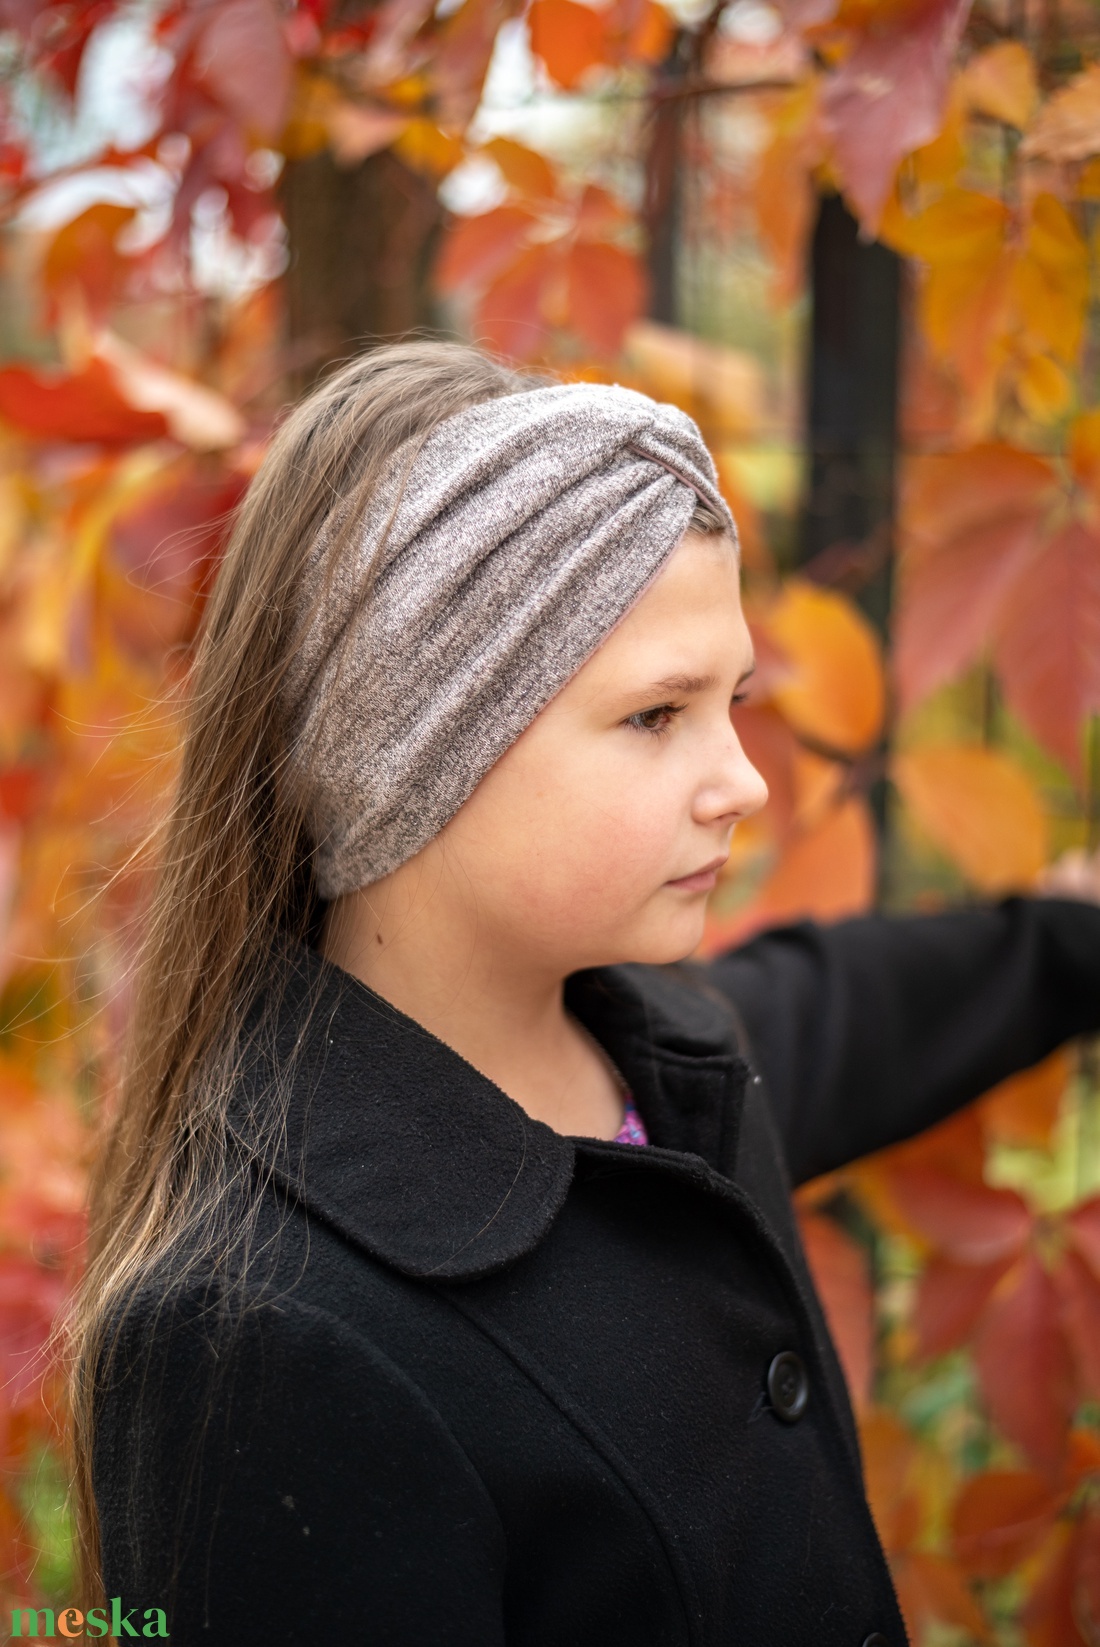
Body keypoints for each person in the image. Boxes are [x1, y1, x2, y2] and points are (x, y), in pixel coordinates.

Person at [69, 341, 1100, 1646]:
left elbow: (857, 1008)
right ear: (417, 746)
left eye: (732, 701)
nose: (745, 780)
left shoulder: (658, 1060)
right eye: (657, 715)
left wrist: (1071, 935)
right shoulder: (264, 1336)